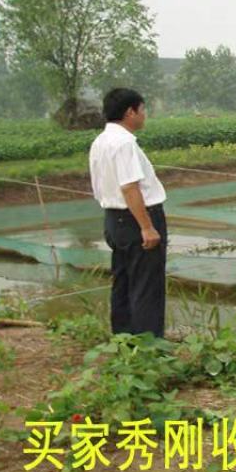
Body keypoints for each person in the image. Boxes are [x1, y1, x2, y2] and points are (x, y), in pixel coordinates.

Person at [89, 88, 168, 337]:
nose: (145, 115)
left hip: (115, 220)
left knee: (123, 282)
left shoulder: (101, 141)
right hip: (136, 220)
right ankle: (148, 348)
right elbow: (130, 187)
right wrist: (146, 226)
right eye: (142, 110)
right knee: (146, 287)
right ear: (129, 112)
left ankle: (124, 341)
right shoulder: (124, 144)